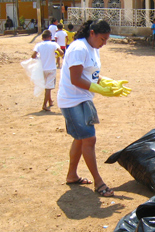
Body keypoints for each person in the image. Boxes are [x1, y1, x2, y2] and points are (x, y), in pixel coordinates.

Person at [57, 19, 131, 197]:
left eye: (106, 40)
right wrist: (99, 90)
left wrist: (108, 82)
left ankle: (72, 175)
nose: (104, 43)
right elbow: (75, 79)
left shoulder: (93, 49)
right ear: (92, 33)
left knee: (81, 139)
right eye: (102, 39)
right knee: (89, 139)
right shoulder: (78, 48)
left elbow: (91, 75)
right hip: (72, 100)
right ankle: (99, 182)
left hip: (83, 99)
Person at [32, 30, 64, 111]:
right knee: (48, 87)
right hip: (51, 68)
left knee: (47, 86)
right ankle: (44, 105)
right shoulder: (53, 44)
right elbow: (61, 53)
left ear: (42, 38)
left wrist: (39, 58)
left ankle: (50, 101)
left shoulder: (38, 45)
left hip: (42, 69)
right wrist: (56, 55)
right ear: (50, 37)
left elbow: (33, 56)